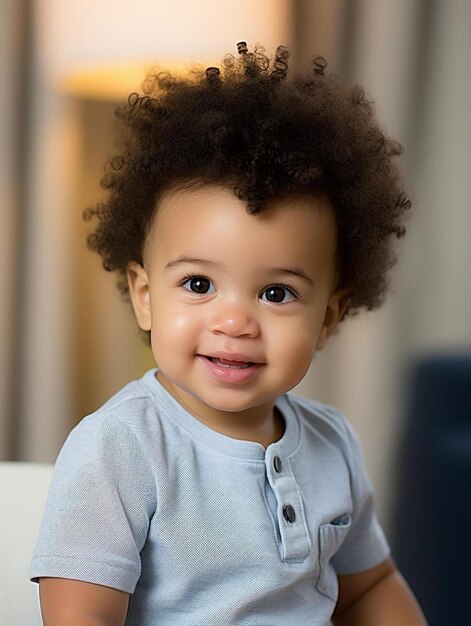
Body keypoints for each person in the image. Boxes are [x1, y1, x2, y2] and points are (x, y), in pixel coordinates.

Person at [30, 43, 427, 625]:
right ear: (145, 297)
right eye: (198, 284)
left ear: (329, 318)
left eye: (276, 293)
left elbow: (370, 588)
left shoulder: (331, 444)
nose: (235, 322)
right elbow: (80, 616)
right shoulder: (121, 449)